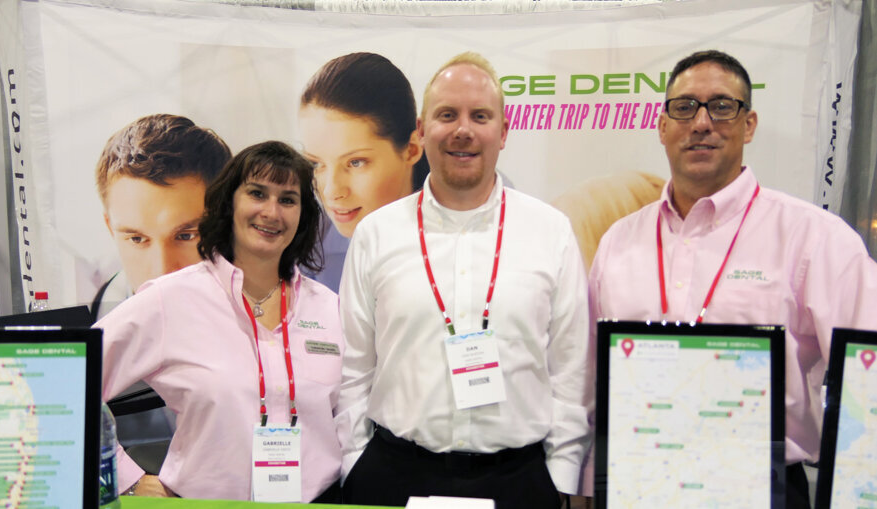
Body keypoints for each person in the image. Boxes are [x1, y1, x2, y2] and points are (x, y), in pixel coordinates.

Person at [588, 49, 877, 507]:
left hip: (764, 490)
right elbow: (592, 381)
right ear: (662, 127)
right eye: (684, 107)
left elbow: (869, 378)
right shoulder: (618, 243)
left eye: (722, 106)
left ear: (749, 124)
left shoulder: (814, 239)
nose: (702, 122)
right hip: (638, 484)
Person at [336, 52, 591, 509]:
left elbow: (570, 368)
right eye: (447, 115)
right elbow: (355, 366)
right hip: (395, 475)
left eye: (480, 116)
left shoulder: (549, 230)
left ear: (504, 131)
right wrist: (356, 460)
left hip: (519, 481)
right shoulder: (377, 233)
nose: (463, 130)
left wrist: (561, 476)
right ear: (420, 129)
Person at [96, 141, 343, 502]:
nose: (272, 212)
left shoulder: (329, 308)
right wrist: (125, 479)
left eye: (288, 199)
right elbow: (66, 382)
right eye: (257, 194)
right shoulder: (171, 300)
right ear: (228, 204)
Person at [298, 52, 426, 292]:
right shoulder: (306, 255)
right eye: (317, 164)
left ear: (411, 149)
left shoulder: (477, 228)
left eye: (356, 162)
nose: (331, 191)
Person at [93, 113, 232, 321]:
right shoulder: (88, 323)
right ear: (110, 228)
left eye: (186, 236)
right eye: (136, 239)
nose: (163, 271)